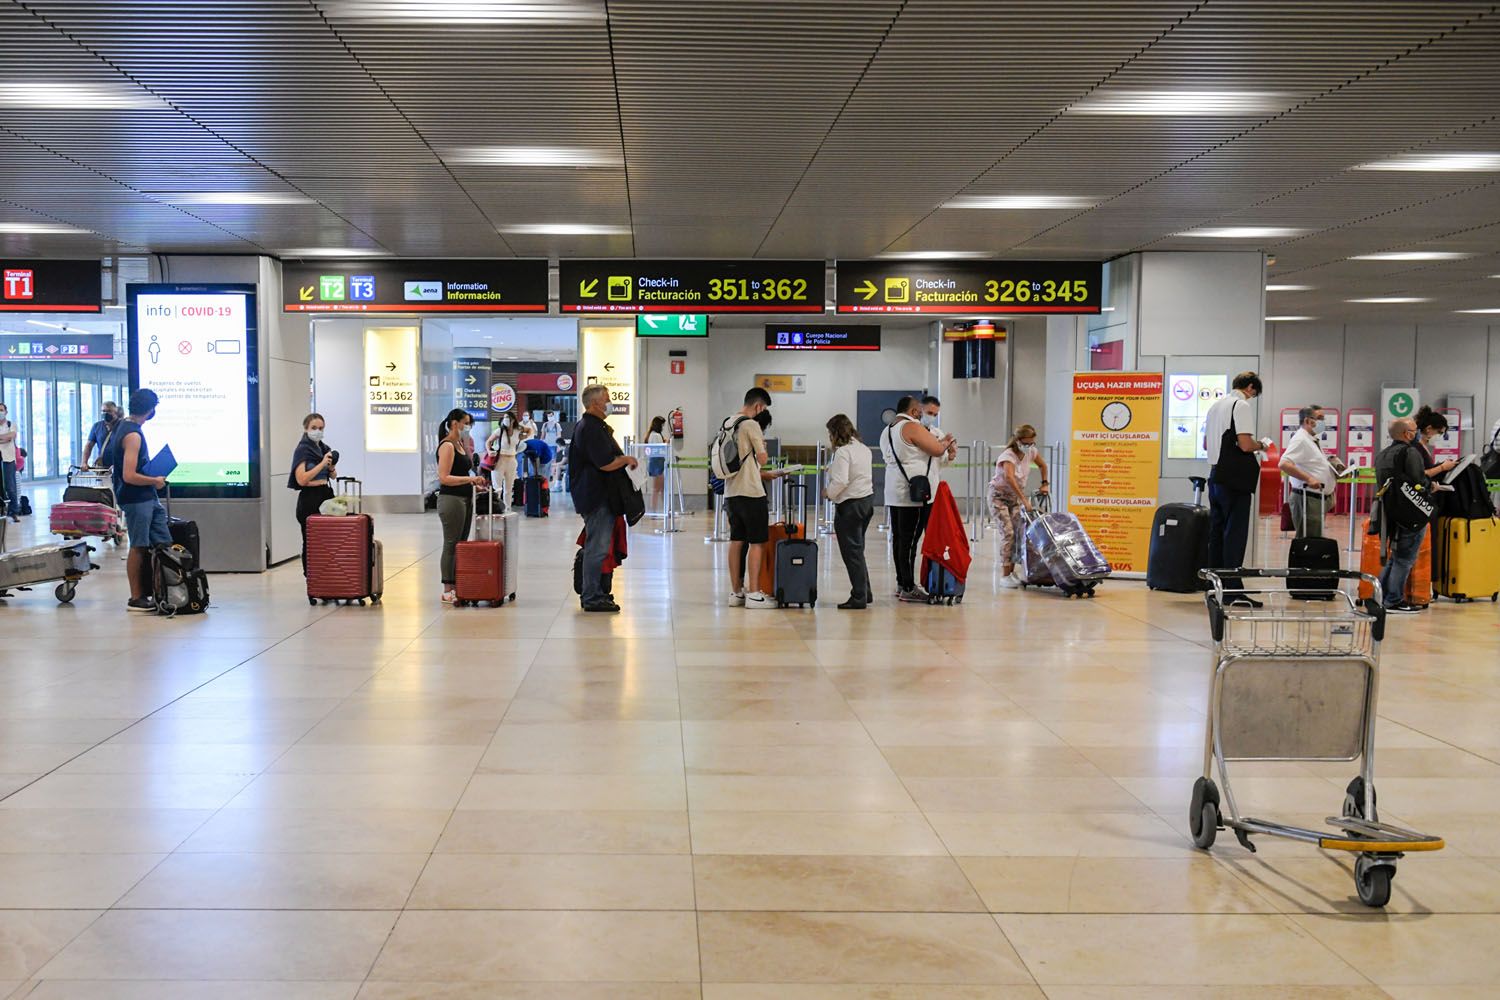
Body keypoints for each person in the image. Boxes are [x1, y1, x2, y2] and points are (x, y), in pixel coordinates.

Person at [1203, 371, 1270, 605]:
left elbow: (1205, 443)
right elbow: (1245, 444)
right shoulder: (1240, 405)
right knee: (1235, 534)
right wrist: (1262, 444)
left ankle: (1215, 587)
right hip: (1235, 479)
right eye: (1254, 394)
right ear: (1250, 388)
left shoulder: (1215, 406)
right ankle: (1233, 591)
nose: (1252, 398)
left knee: (1217, 533)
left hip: (1215, 476)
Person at [569, 384, 638, 613]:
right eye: (607, 399)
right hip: (596, 497)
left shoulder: (594, 426)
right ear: (596, 403)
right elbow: (605, 463)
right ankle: (591, 596)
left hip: (598, 495)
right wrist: (626, 459)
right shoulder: (590, 428)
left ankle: (597, 592)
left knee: (598, 546)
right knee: (597, 548)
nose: (610, 403)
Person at [881, 394, 956, 602]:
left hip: (895, 491)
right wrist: (947, 442)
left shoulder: (888, 430)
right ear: (914, 411)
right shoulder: (911, 427)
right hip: (912, 494)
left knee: (899, 540)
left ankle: (901, 582)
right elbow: (936, 448)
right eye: (923, 412)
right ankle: (907, 586)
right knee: (910, 541)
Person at [720, 386, 790, 610]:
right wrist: (763, 451)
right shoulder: (751, 425)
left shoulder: (728, 422)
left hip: (731, 492)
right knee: (757, 542)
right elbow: (761, 457)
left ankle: (736, 592)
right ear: (759, 406)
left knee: (736, 541)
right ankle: (754, 593)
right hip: (751, 492)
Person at [108, 388, 171, 612]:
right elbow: (129, 475)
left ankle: (164, 588)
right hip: (136, 499)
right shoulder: (132, 435)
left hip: (146, 498)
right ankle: (136, 597)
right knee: (139, 545)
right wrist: (154, 480)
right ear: (150, 409)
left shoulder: (124, 427)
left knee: (162, 542)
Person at [1374, 417, 1430, 614]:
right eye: (1415, 429)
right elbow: (1419, 482)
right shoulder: (1410, 452)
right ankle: (1394, 600)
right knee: (1404, 559)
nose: (1418, 433)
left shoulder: (1382, 455)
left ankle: (1378, 596)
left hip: (1390, 512)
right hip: (1411, 514)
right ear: (1407, 433)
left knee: (1395, 557)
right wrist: (1433, 487)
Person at [435, 408, 487, 605]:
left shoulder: (460, 444)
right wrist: (470, 479)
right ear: (455, 423)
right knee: (451, 543)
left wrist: (473, 483)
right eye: (465, 422)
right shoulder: (447, 446)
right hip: (451, 500)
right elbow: (444, 477)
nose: (468, 427)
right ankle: (448, 588)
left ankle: (457, 584)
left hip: (464, 498)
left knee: (460, 543)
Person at [990, 423, 1050, 588]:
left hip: (1014, 498)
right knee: (1007, 533)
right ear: (1017, 440)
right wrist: (1024, 500)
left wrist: (1045, 483)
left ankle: (1012, 571)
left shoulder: (1031, 452)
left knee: (1019, 533)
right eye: (1026, 442)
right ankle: (1004, 575)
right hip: (999, 497)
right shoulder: (1008, 456)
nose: (1029, 446)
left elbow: (1043, 465)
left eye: (1032, 443)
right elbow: (1010, 479)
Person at [824, 413, 874, 609]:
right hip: (866, 502)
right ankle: (865, 591)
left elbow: (842, 481)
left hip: (850, 506)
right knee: (858, 551)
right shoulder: (863, 448)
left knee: (851, 553)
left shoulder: (843, 452)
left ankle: (859, 596)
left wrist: (828, 493)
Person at [1279, 404, 1342, 539]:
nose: (1322, 422)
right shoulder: (1300, 439)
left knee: (1313, 540)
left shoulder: (1311, 439)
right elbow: (1284, 463)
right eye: (1319, 418)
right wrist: (1309, 479)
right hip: (1307, 499)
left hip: (1316, 499)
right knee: (1308, 542)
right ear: (1307, 421)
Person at [289, 412, 336, 576]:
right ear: (306, 429)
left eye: (321, 428)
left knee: (329, 540)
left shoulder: (324, 448)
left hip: (325, 494)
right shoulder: (302, 450)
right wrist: (322, 464)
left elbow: (332, 476)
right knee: (310, 541)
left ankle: (328, 575)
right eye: (314, 428)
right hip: (309, 498)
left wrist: (330, 466)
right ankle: (312, 578)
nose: (318, 431)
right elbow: (301, 479)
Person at [486, 411, 524, 510]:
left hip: (512, 460)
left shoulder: (517, 431)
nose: (505, 419)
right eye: (504, 417)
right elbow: (488, 441)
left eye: (507, 417)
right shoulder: (500, 431)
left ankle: (508, 508)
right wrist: (489, 451)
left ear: (513, 420)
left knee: (509, 488)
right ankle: (496, 508)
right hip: (499, 460)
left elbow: (529, 431)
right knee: (497, 487)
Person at [1413, 406, 1459, 481]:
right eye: (1439, 432)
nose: (1440, 436)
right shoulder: (1416, 447)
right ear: (1428, 429)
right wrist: (1442, 467)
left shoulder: (1423, 446)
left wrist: (1442, 465)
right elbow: (1419, 475)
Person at [81, 401, 121, 468]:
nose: (105, 413)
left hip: (120, 468)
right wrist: (84, 462)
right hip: (103, 469)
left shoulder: (123, 426)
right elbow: (89, 446)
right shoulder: (97, 427)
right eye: (103, 411)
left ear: (115, 412)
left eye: (109, 411)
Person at [0, 401, 18, 522]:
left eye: (1, 410)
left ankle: (14, 511)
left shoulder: (11, 424)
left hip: (9, 458)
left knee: (10, 486)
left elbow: (11, 435)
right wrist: (5, 438)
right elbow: (6, 438)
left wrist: (6, 437)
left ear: (6, 412)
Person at [645, 415, 668, 510]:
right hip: (657, 463)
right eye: (662, 425)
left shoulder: (651, 435)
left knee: (661, 488)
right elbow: (659, 449)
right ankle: (654, 511)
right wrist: (666, 444)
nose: (663, 427)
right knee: (657, 489)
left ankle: (664, 509)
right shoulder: (656, 435)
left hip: (655, 462)